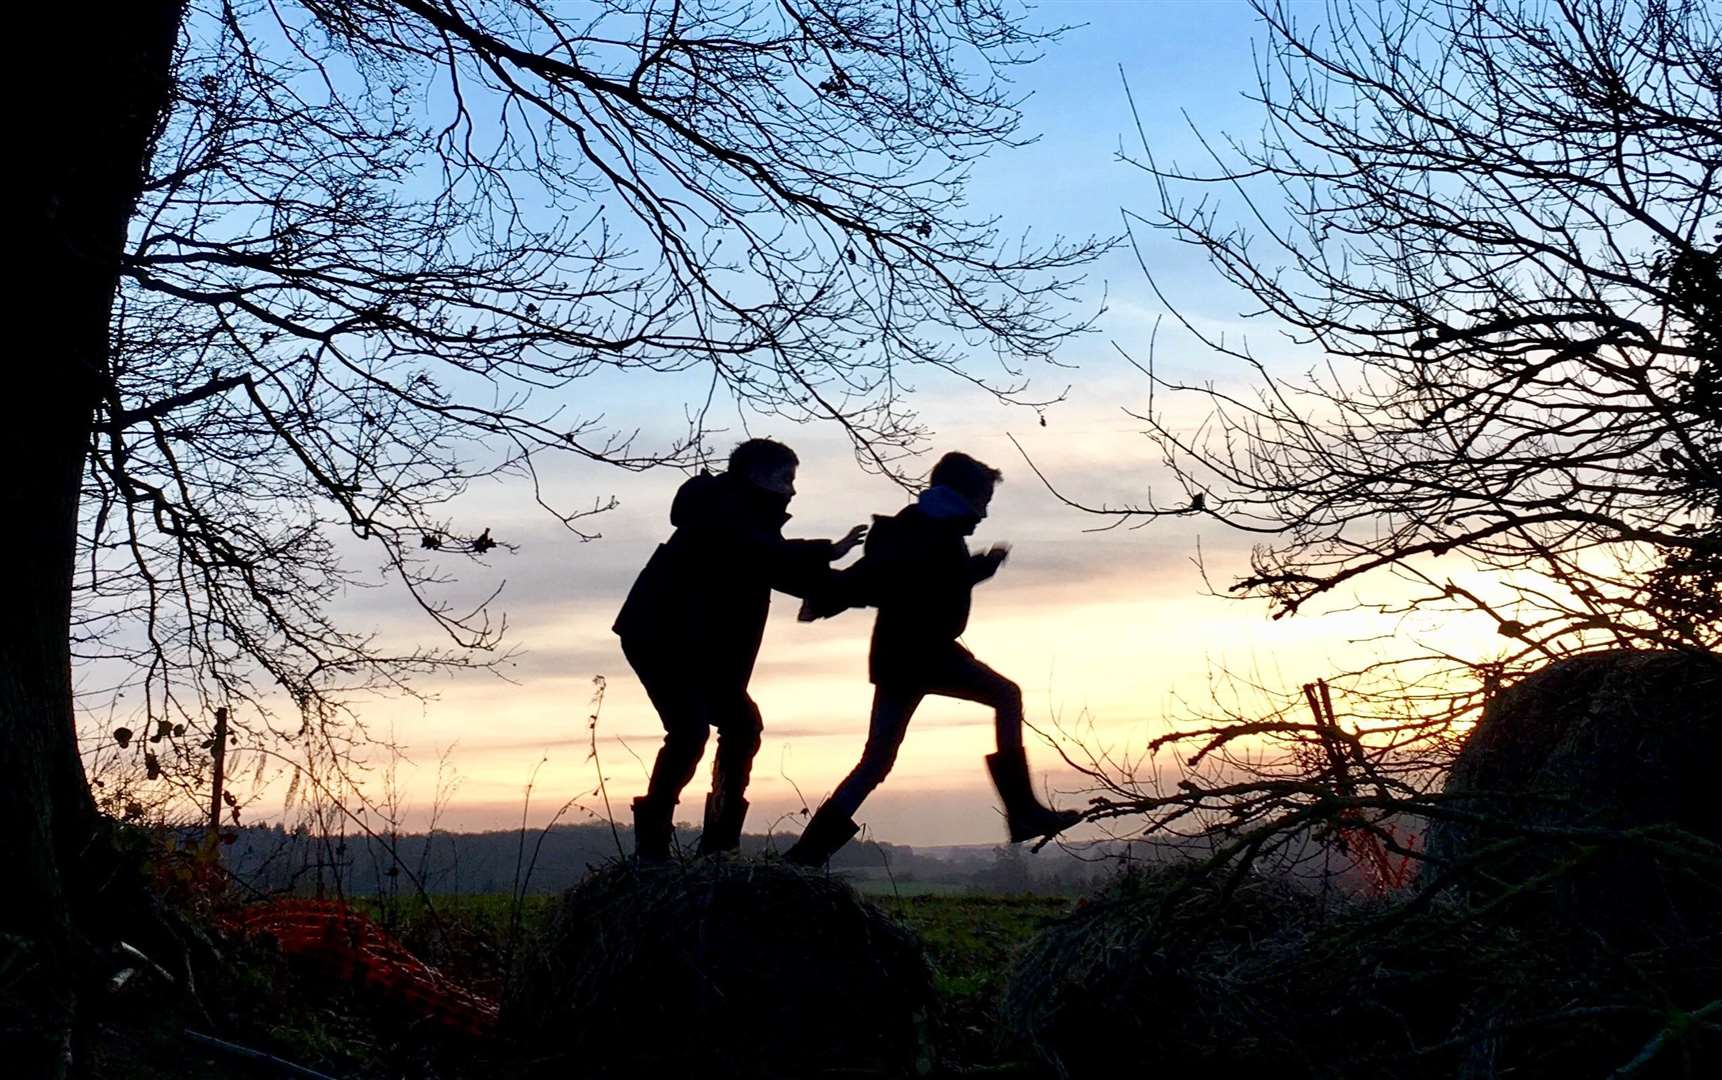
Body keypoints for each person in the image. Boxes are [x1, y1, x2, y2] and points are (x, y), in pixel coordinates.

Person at [785, 452, 1080, 866]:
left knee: (876, 762)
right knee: (1006, 695)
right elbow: (892, 580)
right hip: (922, 653)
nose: (985, 511)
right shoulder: (922, 531)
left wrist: (976, 567)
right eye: (983, 500)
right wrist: (827, 594)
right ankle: (1023, 812)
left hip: (903, 656)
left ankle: (806, 855)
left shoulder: (929, 530)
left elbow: (908, 580)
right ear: (963, 495)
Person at [614, 439, 866, 860]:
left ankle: (718, 847)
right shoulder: (719, 510)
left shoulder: (751, 522)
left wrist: (859, 586)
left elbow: (777, 568)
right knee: (690, 730)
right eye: (787, 478)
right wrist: (827, 551)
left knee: (741, 725)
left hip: (701, 648)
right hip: (662, 638)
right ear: (756, 475)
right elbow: (755, 552)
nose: (792, 490)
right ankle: (654, 852)